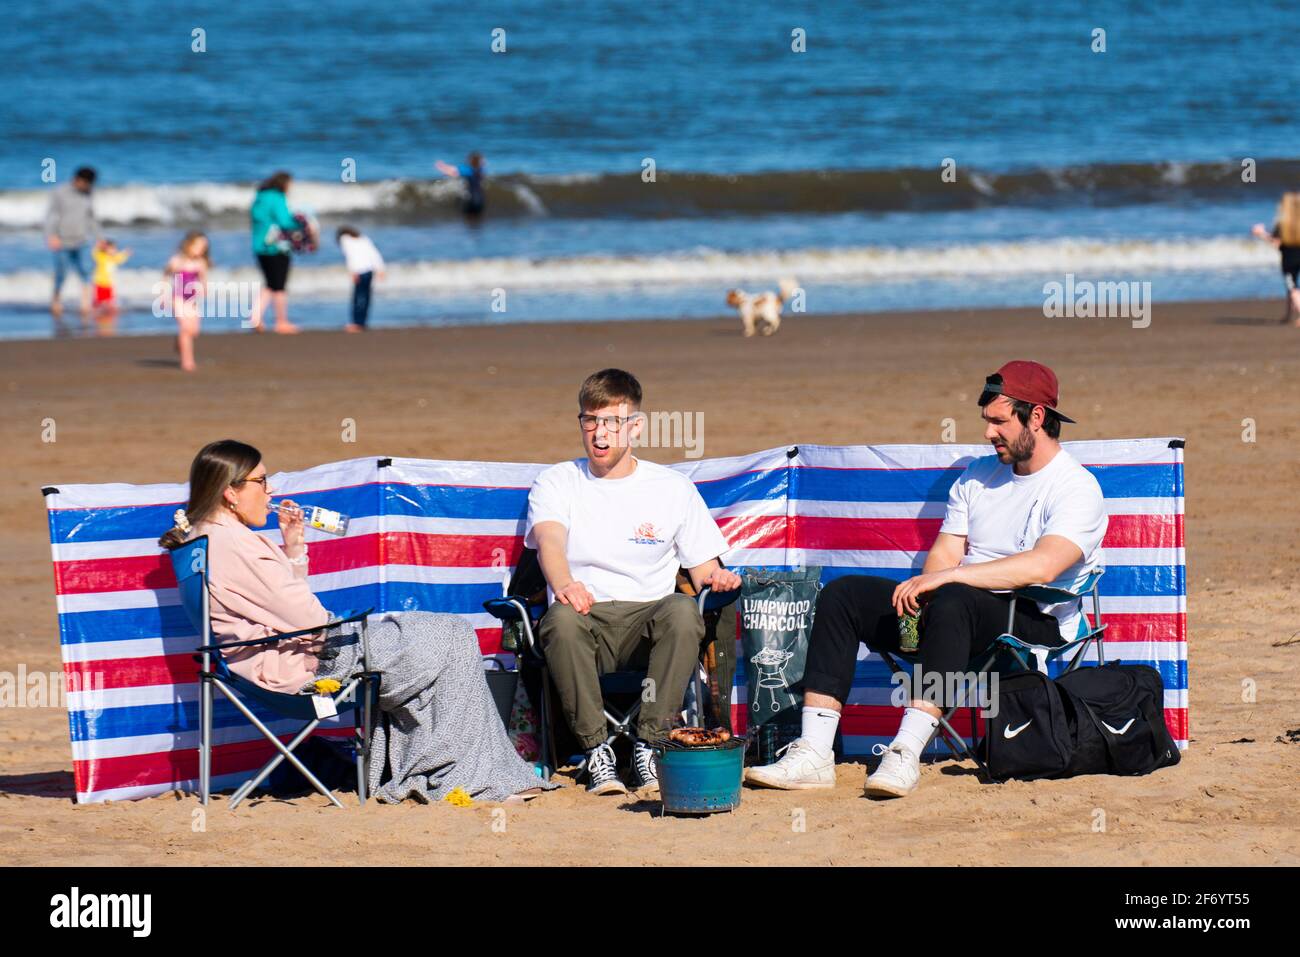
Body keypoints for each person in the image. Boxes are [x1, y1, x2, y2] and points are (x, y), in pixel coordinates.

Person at [746, 360, 1107, 799]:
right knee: (845, 596)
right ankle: (815, 752)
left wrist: (946, 583)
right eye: (986, 422)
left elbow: (1044, 566)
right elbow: (946, 550)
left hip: (1030, 618)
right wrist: (925, 594)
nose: (989, 433)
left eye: (999, 422)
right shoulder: (978, 476)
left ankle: (904, 752)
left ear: (1035, 416)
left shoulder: (1076, 487)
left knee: (953, 597)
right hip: (957, 612)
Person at [158, 440, 553, 804]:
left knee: (440, 636)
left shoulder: (207, 539)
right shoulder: (237, 545)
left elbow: (285, 610)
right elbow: (309, 618)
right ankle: (465, 777)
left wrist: (294, 548)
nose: (270, 491)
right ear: (231, 492)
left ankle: (448, 771)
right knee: (451, 634)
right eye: (262, 481)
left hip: (276, 656)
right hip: (305, 663)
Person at [525, 369, 742, 796]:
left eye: (612, 422)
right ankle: (595, 752)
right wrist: (565, 583)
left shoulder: (671, 488)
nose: (600, 433)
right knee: (562, 619)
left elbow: (703, 571)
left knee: (683, 610)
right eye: (590, 420)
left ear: (636, 427)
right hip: (586, 618)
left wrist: (717, 578)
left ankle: (651, 743)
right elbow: (549, 540)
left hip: (649, 621)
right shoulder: (557, 481)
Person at [248, 171, 304, 333]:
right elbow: (285, 221)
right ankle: (281, 322)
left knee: (270, 284)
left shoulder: (259, 198)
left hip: (259, 246)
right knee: (279, 286)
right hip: (276, 247)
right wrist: (302, 224)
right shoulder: (277, 198)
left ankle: (255, 317)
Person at [44, 166, 99, 328]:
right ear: (78, 180)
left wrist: (99, 238)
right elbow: (51, 216)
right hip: (61, 241)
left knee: (86, 272)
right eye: (86, 184)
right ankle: (56, 301)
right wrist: (51, 236)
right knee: (61, 273)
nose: (88, 187)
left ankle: (85, 305)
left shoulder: (89, 194)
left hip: (81, 241)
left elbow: (92, 218)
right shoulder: (60, 192)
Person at [1251, 193, 1300, 326]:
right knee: (1291, 288)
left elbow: (1275, 242)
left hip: (1289, 261)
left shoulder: (1283, 224)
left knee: (1293, 287)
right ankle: (1288, 314)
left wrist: (1260, 233)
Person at [163, 232, 209, 372]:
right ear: (188, 245)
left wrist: (204, 290)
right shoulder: (177, 261)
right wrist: (163, 297)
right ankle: (187, 361)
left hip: (192, 301)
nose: (201, 250)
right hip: (178, 299)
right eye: (198, 246)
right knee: (186, 329)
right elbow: (165, 277)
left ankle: (179, 342)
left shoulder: (200, 263)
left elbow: (203, 279)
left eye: (204, 247)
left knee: (194, 331)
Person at [335, 226, 385, 332]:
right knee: (366, 298)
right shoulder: (363, 238)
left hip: (359, 271)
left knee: (357, 298)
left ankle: (356, 323)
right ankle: (362, 322)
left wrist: (353, 272)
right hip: (370, 271)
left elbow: (351, 256)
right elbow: (374, 254)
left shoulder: (345, 239)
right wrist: (380, 269)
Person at [90, 237, 130, 333]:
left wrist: (126, 253)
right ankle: (96, 315)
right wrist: (99, 245)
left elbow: (120, 259)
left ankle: (108, 315)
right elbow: (94, 252)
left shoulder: (114, 258)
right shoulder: (101, 256)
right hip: (99, 283)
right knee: (98, 302)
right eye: (111, 248)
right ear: (105, 248)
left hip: (109, 284)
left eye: (114, 249)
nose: (113, 250)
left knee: (110, 301)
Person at [435, 152, 487, 219]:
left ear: (470, 161)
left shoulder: (468, 170)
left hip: (472, 200)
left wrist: (441, 166)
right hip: (481, 200)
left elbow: (453, 171)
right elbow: (483, 163)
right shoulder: (481, 170)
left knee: (468, 217)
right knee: (477, 218)